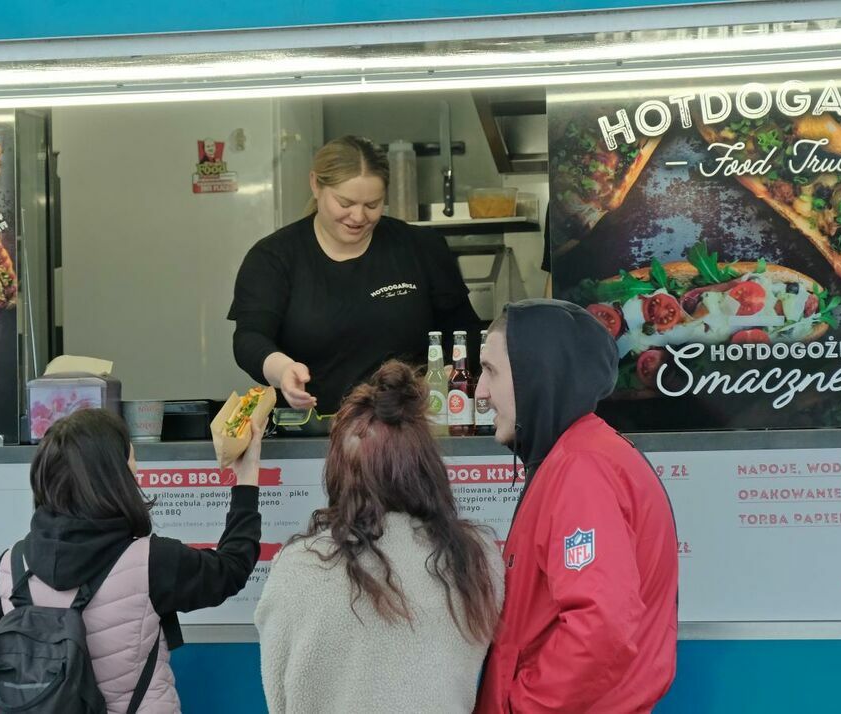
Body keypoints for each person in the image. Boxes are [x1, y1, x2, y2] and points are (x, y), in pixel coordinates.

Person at [0, 408, 265, 712]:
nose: (136, 467)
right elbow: (231, 569)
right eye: (130, 457)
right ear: (115, 475)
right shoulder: (151, 560)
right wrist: (247, 477)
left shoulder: (11, 567)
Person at [255, 361, 503, 714]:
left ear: (336, 472)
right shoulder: (476, 558)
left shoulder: (297, 568)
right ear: (425, 465)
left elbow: (279, 699)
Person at [473, 300, 678, 713]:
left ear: (538, 375)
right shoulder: (574, 457)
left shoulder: (582, 468)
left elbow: (601, 625)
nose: (479, 392)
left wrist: (523, 705)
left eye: (491, 370)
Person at [229, 135, 482, 414]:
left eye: (372, 205)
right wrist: (282, 369)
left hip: (412, 427)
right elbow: (249, 338)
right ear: (315, 184)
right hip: (317, 431)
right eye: (345, 203)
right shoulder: (274, 258)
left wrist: (446, 374)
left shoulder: (420, 247)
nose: (359, 217)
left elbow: (465, 332)